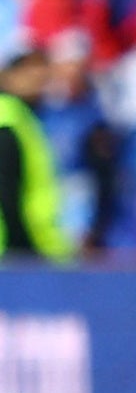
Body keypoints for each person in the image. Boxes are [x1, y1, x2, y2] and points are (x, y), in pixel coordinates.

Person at [0, 41, 71, 260]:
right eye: (25, 67)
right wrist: (26, 252)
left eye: (41, 65)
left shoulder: (28, 118)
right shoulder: (7, 121)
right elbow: (7, 196)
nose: (37, 74)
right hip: (18, 252)